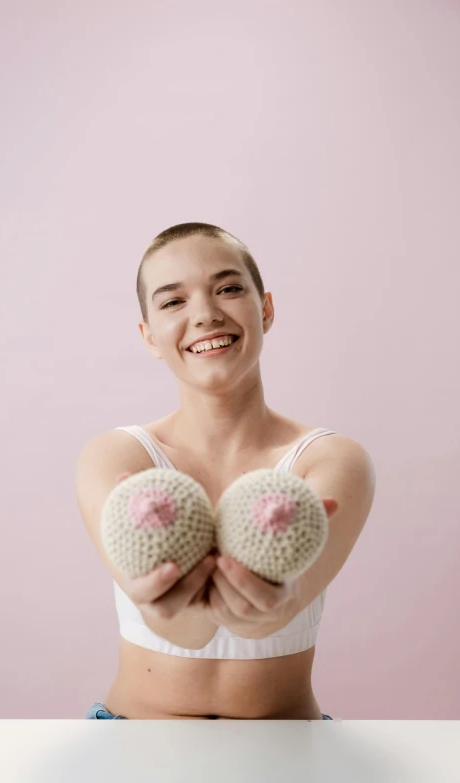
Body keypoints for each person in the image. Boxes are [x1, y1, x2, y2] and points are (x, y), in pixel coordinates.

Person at [75, 222, 376, 720]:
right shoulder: (116, 458)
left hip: (288, 754)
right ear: (149, 336)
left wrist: (276, 602)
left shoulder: (332, 460)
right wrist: (165, 606)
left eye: (229, 289)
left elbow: (264, 620)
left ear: (266, 309)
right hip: (131, 747)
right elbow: (183, 630)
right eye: (173, 302)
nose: (206, 314)